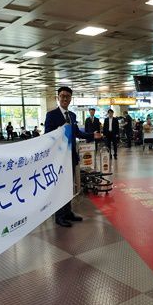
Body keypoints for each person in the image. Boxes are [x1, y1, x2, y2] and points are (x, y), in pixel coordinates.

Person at [44, 86, 101, 227]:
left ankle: (68, 212)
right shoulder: (51, 115)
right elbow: (47, 136)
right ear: (58, 97)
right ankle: (59, 216)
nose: (64, 98)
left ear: (70, 99)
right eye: (62, 96)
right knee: (59, 187)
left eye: (67, 96)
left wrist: (92, 135)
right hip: (58, 158)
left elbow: (78, 133)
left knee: (69, 185)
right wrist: (60, 130)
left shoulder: (72, 115)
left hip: (71, 156)